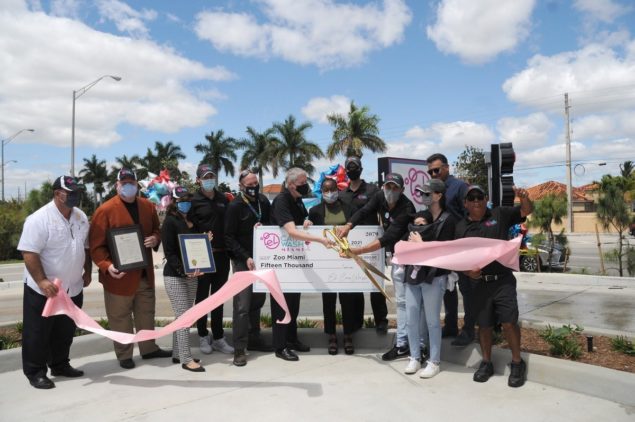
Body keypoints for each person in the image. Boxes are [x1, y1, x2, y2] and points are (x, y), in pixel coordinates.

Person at [89, 168, 170, 369]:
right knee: (120, 317)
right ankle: (124, 355)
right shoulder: (104, 210)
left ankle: (149, 349)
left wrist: (155, 239)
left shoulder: (147, 207)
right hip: (119, 276)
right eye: (124, 182)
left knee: (146, 314)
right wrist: (107, 266)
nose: (128, 186)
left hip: (144, 274)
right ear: (117, 185)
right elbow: (96, 246)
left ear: (137, 184)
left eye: (131, 182)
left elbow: (156, 230)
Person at [18, 176, 92, 389]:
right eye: (70, 192)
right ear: (57, 193)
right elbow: (29, 252)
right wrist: (41, 280)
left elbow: (85, 247)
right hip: (45, 290)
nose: (74, 196)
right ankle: (35, 371)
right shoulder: (39, 219)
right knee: (38, 332)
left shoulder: (80, 217)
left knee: (64, 331)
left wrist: (87, 271)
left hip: (73, 287)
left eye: (77, 192)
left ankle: (60, 364)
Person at [455, 185, 533, 387]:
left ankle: (517, 363)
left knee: (509, 323)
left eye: (479, 197)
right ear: (465, 203)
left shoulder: (499, 213)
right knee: (485, 326)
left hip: (503, 281)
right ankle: (487, 362)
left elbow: (526, 211)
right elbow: (458, 258)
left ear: (485, 198)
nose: (476, 201)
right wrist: (467, 272)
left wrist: (523, 198)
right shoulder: (460, 227)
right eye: (471, 198)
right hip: (479, 285)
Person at [337, 172, 416, 361]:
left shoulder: (406, 207)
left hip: (409, 258)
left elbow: (388, 237)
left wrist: (358, 251)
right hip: (396, 257)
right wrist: (348, 226)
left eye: (394, 187)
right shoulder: (380, 196)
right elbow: (364, 211)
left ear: (402, 190)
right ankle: (404, 343)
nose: (390, 190)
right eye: (388, 186)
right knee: (403, 303)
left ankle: (409, 344)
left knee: (409, 304)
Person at [270, 167, 335, 361]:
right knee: (282, 306)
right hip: (282, 262)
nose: (305, 185)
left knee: (293, 304)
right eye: (301, 182)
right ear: (290, 185)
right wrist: (320, 240)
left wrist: (306, 222)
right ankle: (280, 346)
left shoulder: (297, 199)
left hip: (294, 261)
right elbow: (291, 231)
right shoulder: (282, 201)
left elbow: (299, 223)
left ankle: (291, 339)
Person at [403, 179, 456, 378]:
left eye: (428, 193)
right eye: (422, 193)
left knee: (433, 321)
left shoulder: (448, 219)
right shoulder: (421, 217)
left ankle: (434, 361)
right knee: (411, 318)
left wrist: (421, 243)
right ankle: (414, 357)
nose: (424, 197)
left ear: (439, 195)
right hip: (414, 275)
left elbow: (444, 250)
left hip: (435, 276)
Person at [306, 177, 364, 355]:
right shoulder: (315, 211)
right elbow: (311, 232)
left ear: (337, 190)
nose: (329, 193)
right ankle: (331, 335)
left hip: (346, 259)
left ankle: (348, 335)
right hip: (326, 261)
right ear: (321, 192)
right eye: (326, 190)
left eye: (332, 190)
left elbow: (359, 228)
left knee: (348, 300)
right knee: (328, 300)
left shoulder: (349, 208)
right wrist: (307, 223)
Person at [224, 168, 274, 367]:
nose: (253, 188)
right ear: (241, 186)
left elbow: (271, 224)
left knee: (257, 301)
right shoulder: (235, 206)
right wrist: (245, 257)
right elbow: (228, 237)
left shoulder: (263, 201)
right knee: (242, 306)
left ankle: (255, 338)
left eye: (255, 184)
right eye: (249, 185)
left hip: (261, 260)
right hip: (242, 262)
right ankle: (239, 349)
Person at [427, 153, 474, 347]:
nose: (433, 174)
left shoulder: (460, 187)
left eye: (436, 170)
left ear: (447, 168)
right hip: (443, 248)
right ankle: (451, 325)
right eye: (430, 172)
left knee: (467, 288)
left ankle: (469, 330)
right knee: (448, 288)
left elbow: (470, 213)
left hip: (461, 246)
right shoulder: (434, 189)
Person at [188, 164, 234, 355]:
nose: (209, 179)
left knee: (218, 298)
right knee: (201, 298)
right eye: (205, 177)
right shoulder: (192, 201)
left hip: (222, 254)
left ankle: (218, 337)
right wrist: (200, 237)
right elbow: (187, 228)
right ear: (198, 180)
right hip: (201, 256)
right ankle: (202, 335)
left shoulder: (223, 198)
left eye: (211, 176)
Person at [339, 156, 387, 333]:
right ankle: (357, 321)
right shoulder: (342, 193)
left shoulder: (372, 190)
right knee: (355, 284)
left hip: (372, 242)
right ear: (346, 170)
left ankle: (381, 321)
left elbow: (382, 212)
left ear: (360, 168)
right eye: (349, 167)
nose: (352, 170)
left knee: (376, 283)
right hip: (351, 243)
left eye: (355, 166)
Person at [161, 186, 205, 372]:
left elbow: (196, 247)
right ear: (174, 201)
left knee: (184, 315)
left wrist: (206, 241)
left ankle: (178, 353)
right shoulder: (170, 222)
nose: (185, 203)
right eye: (181, 200)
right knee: (185, 317)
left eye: (188, 200)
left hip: (192, 275)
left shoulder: (193, 220)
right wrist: (182, 270)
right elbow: (170, 253)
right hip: (175, 275)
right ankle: (186, 360)